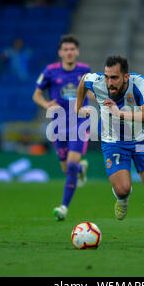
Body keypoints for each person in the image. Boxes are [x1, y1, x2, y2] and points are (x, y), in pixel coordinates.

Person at [76, 55, 144, 246]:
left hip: (142, 140)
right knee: (122, 189)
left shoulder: (138, 82)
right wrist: (79, 109)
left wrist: (120, 113)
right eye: (107, 77)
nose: (109, 82)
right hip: (113, 141)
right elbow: (83, 81)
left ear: (126, 77)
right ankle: (122, 199)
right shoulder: (98, 82)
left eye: (115, 78)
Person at [32, 34, 92, 221]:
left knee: (72, 164)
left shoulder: (85, 70)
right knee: (68, 169)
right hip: (58, 123)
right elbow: (36, 95)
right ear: (60, 52)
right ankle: (81, 170)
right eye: (65, 49)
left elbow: (91, 91)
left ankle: (64, 207)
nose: (69, 52)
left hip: (80, 121)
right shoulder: (50, 71)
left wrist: (101, 104)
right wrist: (47, 104)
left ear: (77, 52)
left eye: (72, 49)